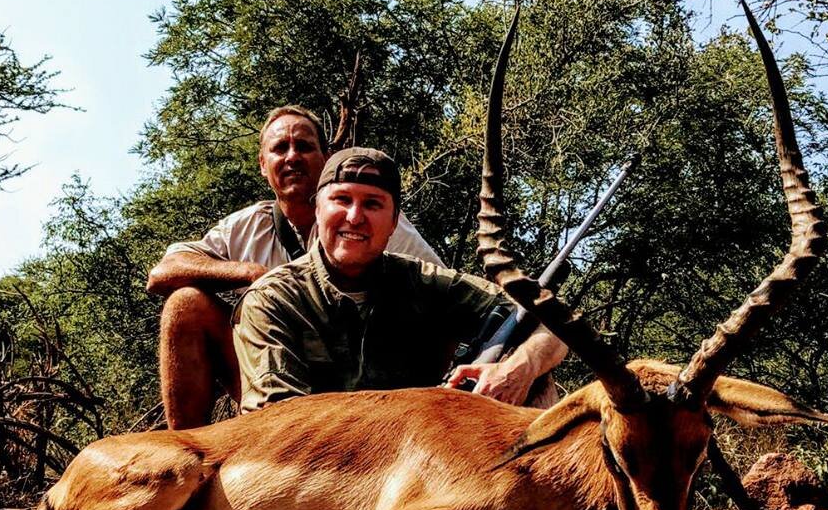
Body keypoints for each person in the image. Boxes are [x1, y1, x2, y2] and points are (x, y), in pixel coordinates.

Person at [146, 105, 442, 429]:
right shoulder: (247, 226)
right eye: (279, 149)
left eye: (303, 146)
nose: (291, 157)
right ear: (263, 164)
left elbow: (438, 289)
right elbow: (162, 273)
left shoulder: (364, 220)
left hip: (367, 390)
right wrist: (252, 275)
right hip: (273, 384)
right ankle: (193, 455)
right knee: (185, 304)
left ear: (326, 157)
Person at [233, 147, 566, 413]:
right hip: (315, 469)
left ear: (394, 223)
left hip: (415, 467)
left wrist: (520, 367)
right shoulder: (272, 298)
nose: (355, 217)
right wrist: (423, 414)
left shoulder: (424, 282)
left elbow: (551, 323)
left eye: (372, 204)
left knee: (533, 375)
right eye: (342, 199)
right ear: (317, 211)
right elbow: (279, 420)